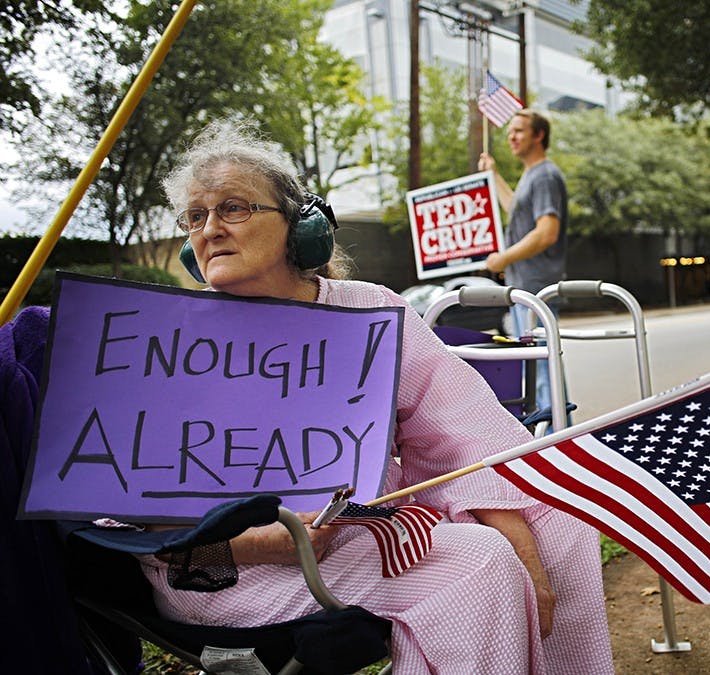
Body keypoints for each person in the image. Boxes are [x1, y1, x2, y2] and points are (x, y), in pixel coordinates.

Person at [146, 120, 613, 674]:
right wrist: (271, 542)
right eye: (196, 217)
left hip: (356, 531)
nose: (211, 229)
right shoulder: (169, 340)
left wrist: (522, 538)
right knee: (477, 565)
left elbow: (460, 426)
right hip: (228, 568)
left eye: (234, 208)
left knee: (559, 522)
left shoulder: (368, 307)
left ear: (301, 227)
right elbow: (142, 525)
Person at [478, 109, 568, 418]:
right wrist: (495, 174)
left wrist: (503, 258)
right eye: (509, 132)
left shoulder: (545, 175)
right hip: (525, 290)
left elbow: (546, 233)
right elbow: (513, 206)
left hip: (536, 291)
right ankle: (555, 437)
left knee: (543, 373)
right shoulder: (533, 175)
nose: (511, 137)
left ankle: (558, 441)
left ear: (538, 135)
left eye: (518, 131)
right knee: (538, 372)